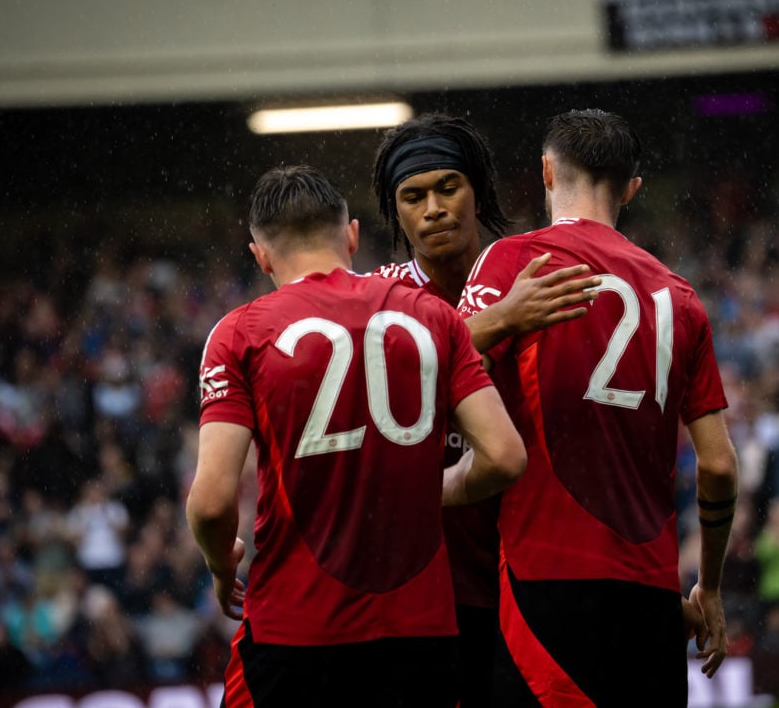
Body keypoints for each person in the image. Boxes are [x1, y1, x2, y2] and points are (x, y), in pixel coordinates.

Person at [186, 164, 527, 707]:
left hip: (296, 631)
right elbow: (506, 456)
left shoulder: (239, 334)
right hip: (421, 634)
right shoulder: (433, 317)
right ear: (351, 236)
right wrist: (436, 490)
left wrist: (219, 560)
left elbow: (209, 504)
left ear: (261, 256)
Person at [458, 109, 739, 706]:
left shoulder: (515, 264)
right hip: (650, 595)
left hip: (544, 578)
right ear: (632, 188)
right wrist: (707, 588)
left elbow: (442, 376)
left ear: (546, 171)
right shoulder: (680, 297)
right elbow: (718, 466)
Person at [371, 112, 601, 707]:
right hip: (414, 584)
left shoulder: (531, 276)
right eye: (413, 196)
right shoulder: (377, 300)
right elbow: (390, 385)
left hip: (521, 575)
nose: (434, 208)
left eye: (449, 187)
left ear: (479, 192)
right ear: (395, 211)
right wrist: (501, 321)